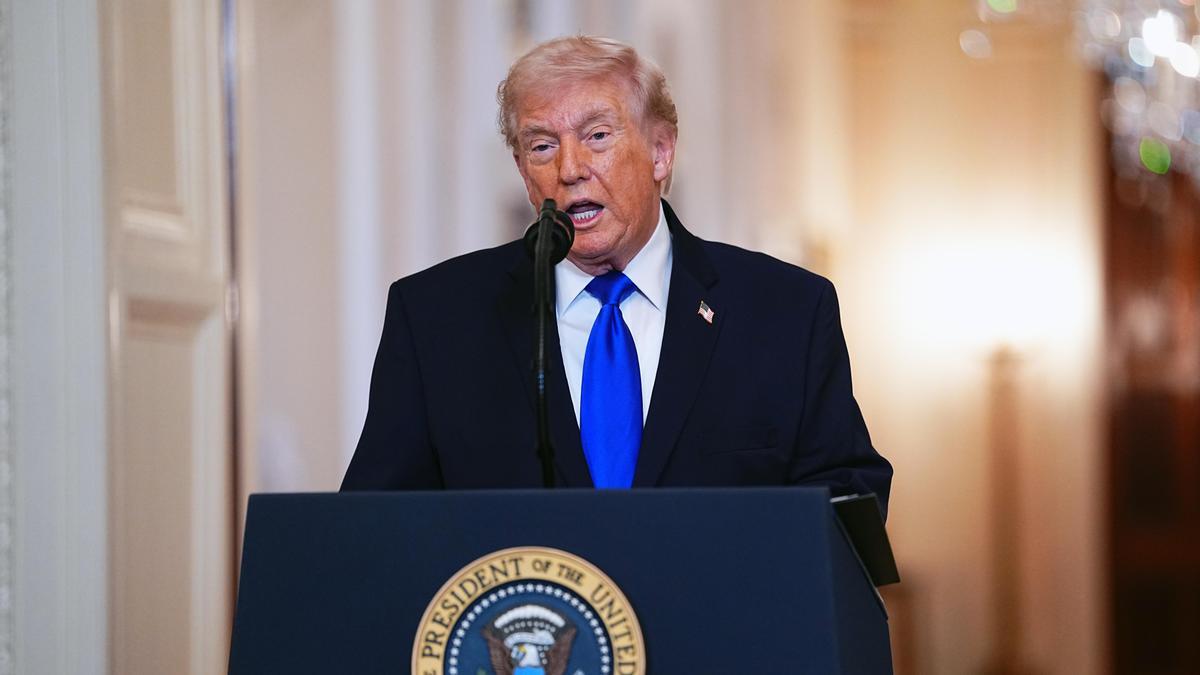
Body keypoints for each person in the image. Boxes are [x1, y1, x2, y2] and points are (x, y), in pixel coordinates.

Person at [340, 35, 892, 515]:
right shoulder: (437, 317)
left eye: (597, 136)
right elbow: (376, 525)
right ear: (522, 172)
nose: (570, 169)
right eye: (541, 146)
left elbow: (845, 498)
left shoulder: (784, 310)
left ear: (660, 152)